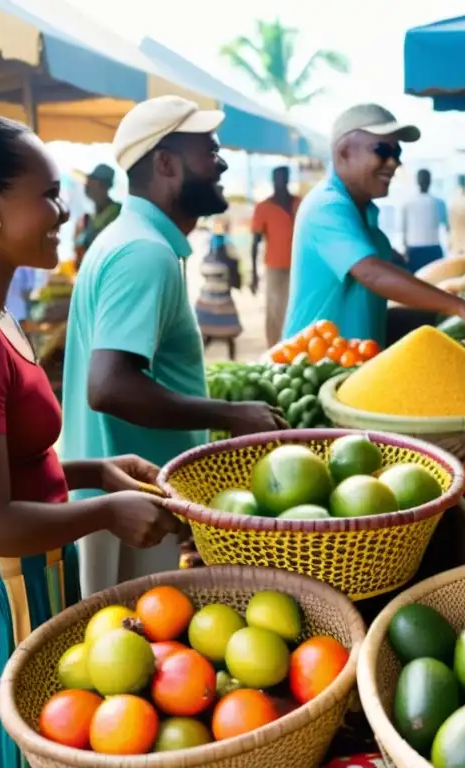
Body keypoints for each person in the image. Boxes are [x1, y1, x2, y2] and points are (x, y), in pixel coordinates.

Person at [0, 115, 178, 768]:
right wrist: (104, 513)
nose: (65, 211)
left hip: (22, 574)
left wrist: (96, 471)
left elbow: (3, 465)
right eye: (50, 194)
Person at [61, 96, 286, 598]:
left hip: (128, 497)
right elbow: (109, 386)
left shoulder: (132, 239)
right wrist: (231, 414)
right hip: (127, 509)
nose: (221, 161)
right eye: (208, 150)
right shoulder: (144, 253)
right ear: (165, 164)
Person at [283, 103, 465, 349]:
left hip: (353, 365)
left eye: (397, 153)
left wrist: (440, 319)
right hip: (313, 368)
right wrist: (458, 306)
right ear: (343, 152)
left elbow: (372, 301)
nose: (393, 163)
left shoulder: (362, 212)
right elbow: (372, 273)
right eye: (382, 151)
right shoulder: (327, 206)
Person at [251, 166, 299, 346]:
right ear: (273, 181)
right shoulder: (264, 207)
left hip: (298, 265)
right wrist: (253, 274)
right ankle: (273, 348)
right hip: (274, 266)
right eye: (277, 178)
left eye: (284, 178)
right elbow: (255, 242)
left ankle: (293, 345)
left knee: (294, 307)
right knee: (274, 310)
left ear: (287, 179)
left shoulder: (299, 203)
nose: (281, 182)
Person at [196, 218, 243, 359]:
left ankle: (200, 359)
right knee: (228, 335)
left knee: (208, 335)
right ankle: (232, 360)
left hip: (208, 295)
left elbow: (202, 267)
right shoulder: (228, 245)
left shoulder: (207, 244)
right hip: (222, 294)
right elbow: (235, 264)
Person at [74, 163, 121, 267]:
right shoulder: (87, 219)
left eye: (91, 181)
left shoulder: (117, 213)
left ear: (103, 185)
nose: (86, 185)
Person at [400, 168, 448, 273]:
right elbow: (447, 227)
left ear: (417, 181)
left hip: (414, 249)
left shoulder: (407, 203)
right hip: (433, 249)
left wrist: (405, 249)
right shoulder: (439, 202)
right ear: (430, 181)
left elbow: (403, 229)